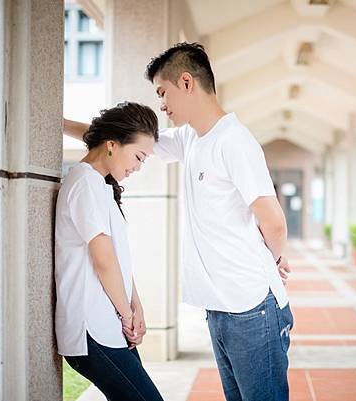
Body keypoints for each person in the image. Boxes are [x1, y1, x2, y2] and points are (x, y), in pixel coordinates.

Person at [64, 42, 293, 401]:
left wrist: (273, 260)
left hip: (252, 309)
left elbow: (274, 222)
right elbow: (119, 137)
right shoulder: (191, 139)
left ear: (186, 82)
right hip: (221, 308)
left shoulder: (234, 141)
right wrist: (59, 124)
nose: (161, 104)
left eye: (162, 92)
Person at [55, 101, 164, 401]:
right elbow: (103, 260)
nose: (139, 167)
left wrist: (135, 305)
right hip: (90, 328)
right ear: (113, 145)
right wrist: (128, 314)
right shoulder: (84, 183)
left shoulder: (99, 185)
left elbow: (116, 258)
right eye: (138, 157)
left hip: (107, 322)